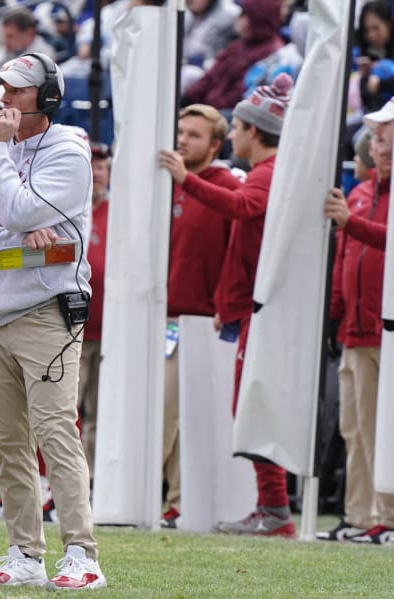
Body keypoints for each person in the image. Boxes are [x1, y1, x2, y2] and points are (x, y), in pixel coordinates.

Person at [0, 53, 107, 589]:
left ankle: (82, 553)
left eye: (16, 90)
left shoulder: (69, 150)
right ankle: (25, 554)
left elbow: (16, 209)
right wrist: (21, 246)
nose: (4, 99)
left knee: (56, 431)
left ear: (47, 99)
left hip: (47, 312)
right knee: (9, 440)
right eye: (1, 88)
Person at [160, 73, 295, 537]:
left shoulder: (266, 175)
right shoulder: (265, 174)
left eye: (236, 128)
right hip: (243, 311)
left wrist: (185, 181)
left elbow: (240, 209)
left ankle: (275, 508)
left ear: (253, 132)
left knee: (252, 408)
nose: (233, 134)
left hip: (259, 313)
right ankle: (272, 507)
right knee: (247, 407)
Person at [160, 104, 240, 529]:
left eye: (193, 134)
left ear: (215, 144)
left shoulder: (226, 188)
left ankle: (181, 500)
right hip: (165, 317)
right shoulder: (167, 186)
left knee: (181, 415)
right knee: (167, 413)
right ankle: (175, 499)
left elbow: (234, 253)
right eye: (180, 131)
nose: (183, 140)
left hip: (203, 322)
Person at [318, 100, 394, 544]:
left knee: (381, 428)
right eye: (377, 136)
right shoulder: (363, 193)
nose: (377, 143)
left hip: (385, 329)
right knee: (356, 426)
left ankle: (386, 514)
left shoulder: (358, 202)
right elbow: (345, 258)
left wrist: (352, 224)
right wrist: (334, 314)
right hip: (356, 329)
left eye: (385, 135)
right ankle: (361, 516)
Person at [77, 141, 111, 485]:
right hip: (72, 327)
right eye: (91, 166)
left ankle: (94, 483)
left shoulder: (117, 212)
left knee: (100, 414)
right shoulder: (72, 210)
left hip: (108, 331)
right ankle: (60, 485)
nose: (96, 173)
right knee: (64, 409)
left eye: (101, 167)